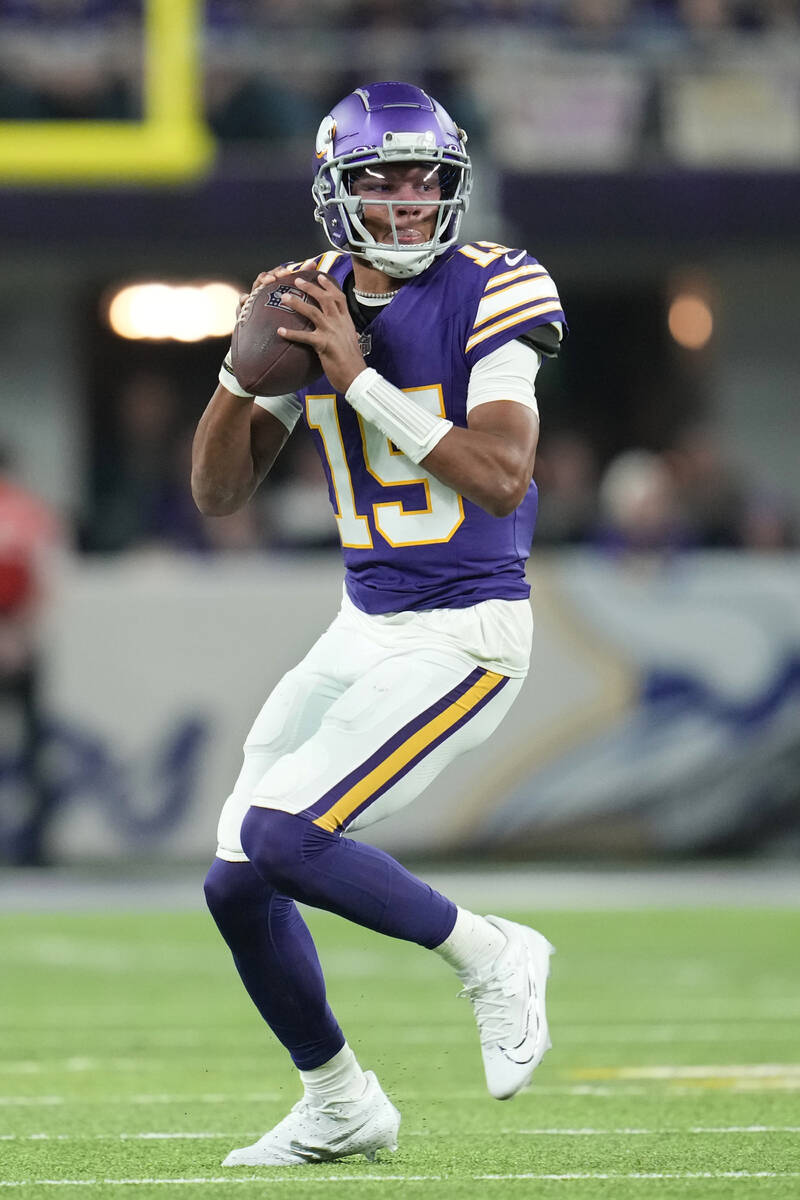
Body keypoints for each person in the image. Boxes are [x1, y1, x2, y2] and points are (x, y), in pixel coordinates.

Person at [192, 80, 566, 1169]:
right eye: (377, 178)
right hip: (363, 622)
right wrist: (236, 375)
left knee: (285, 833)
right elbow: (219, 496)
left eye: (423, 178)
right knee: (235, 878)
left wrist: (354, 381)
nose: (404, 201)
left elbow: (500, 477)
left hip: (468, 632)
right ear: (334, 192)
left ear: (452, 185)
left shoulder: (500, 283)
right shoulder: (303, 301)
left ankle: (493, 953)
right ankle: (339, 1101)